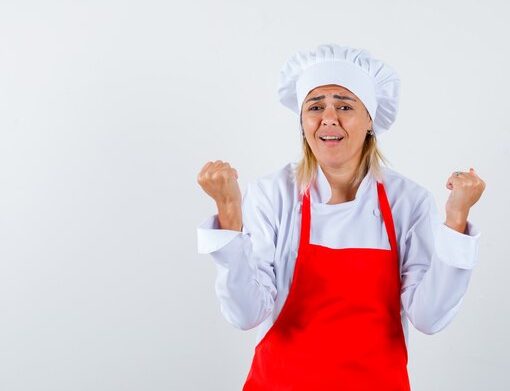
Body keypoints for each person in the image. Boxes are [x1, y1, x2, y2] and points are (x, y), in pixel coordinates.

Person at [196, 43, 486, 391]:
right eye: (315, 106)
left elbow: (429, 317)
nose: (328, 118)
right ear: (303, 123)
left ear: (370, 122)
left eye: (344, 105)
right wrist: (229, 213)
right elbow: (245, 314)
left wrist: (456, 220)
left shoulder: (407, 201)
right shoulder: (273, 195)